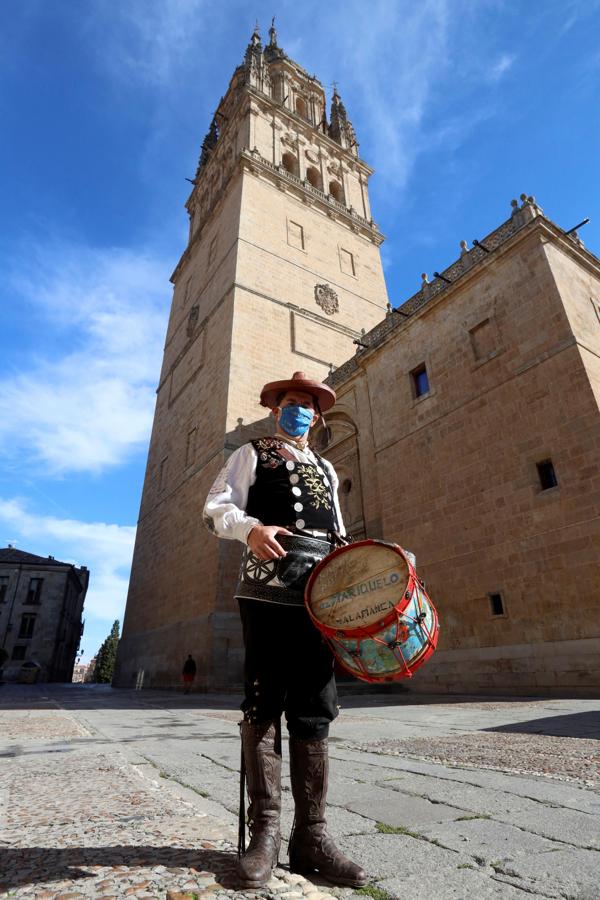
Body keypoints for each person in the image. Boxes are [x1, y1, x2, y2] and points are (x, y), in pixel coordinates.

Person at [203, 371, 367, 890]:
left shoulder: (324, 465)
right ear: (279, 409)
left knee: (315, 705)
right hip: (267, 593)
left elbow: (339, 534)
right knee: (264, 701)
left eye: (308, 405)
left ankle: (312, 838)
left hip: (318, 600)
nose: (300, 410)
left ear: (316, 416)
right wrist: (250, 528)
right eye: (292, 402)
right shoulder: (253, 453)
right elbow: (216, 508)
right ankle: (266, 834)